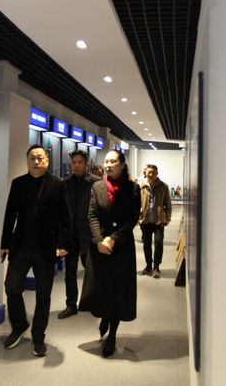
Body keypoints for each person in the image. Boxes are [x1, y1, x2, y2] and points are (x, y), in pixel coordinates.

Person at [0, 144, 71, 357]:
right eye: (32, 158)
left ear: (47, 161)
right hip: (20, 246)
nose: (36, 161)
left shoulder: (58, 184)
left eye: (40, 158)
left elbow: (65, 217)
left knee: (43, 295)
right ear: (27, 161)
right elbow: (10, 214)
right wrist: (4, 243)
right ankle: (19, 324)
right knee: (12, 287)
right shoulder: (18, 183)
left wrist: (64, 245)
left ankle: (38, 337)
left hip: (46, 248)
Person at [79, 150, 140, 357]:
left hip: (121, 247)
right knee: (102, 288)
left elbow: (131, 220)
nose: (109, 165)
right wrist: (98, 240)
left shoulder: (133, 189)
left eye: (113, 161)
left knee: (118, 291)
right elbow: (92, 215)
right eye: (106, 161)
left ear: (122, 165)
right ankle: (105, 316)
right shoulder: (97, 187)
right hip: (100, 247)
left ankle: (112, 335)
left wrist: (113, 239)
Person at [58, 150, 101, 319]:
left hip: (89, 236)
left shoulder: (96, 183)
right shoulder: (65, 183)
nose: (76, 166)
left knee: (92, 272)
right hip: (70, 237)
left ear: (87, 164)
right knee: (70, 273)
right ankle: (71, 305)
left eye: (80, 162)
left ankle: (93, 302)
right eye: (74, 163)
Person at [138, 164, 172, 278]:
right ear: (145, 173)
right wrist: (137, 218)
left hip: (159, 220)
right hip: (145, 220)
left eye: (153, 172)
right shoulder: (141, 186)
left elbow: (168, 203)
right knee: (146, 244)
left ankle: (156, 267)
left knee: (158, 243)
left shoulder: (163, 186)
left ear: (157, 173)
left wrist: (168, 217)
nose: (151, 174)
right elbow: (136, 203)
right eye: (149, 172)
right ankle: (148, 266)